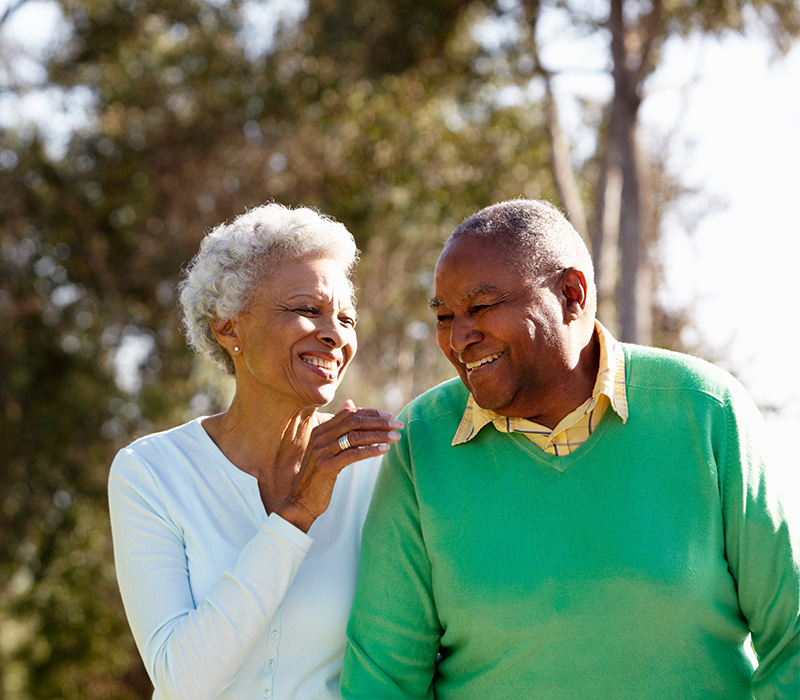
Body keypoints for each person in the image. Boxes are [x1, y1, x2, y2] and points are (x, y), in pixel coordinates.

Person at [342, 199, 799, 699]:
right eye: (445, 316)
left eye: (481, 307)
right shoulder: (421, 442)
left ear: (571, 294)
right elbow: (382, 680)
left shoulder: (706, 409)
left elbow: (791, 635)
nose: (459, 338)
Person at [108, 203, 402, 700]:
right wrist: (298, 513)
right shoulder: (150, 472)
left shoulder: (376, 470)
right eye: (307, 309)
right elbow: (182, 679)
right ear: (229, 328)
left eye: (346, 317)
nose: (335, 334)